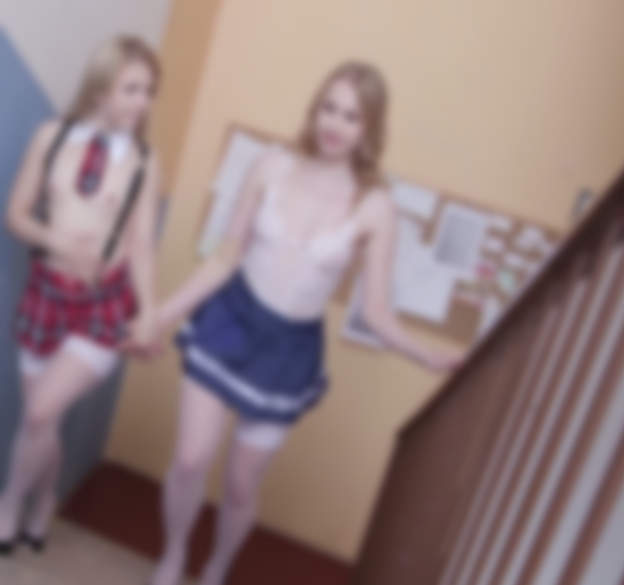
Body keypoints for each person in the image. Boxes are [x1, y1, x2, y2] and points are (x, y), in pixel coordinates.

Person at [144, 61, 463, 585]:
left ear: (369, 128)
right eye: (328, 108)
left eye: (351, 116)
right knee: (190, 458)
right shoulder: (270, 165)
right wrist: (161, 315)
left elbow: (376, 312)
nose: (335, 124)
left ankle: (217, 568)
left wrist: (427, 354)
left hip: (289, 351)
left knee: (241, 485)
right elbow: (224, 257)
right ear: (315, 110)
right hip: (231, 319)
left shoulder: (376, 207)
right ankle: (173, 555)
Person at [0, 36, 162, 553]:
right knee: (42, 421)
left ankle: (8, 504)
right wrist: (59, 241)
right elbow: (16, 215)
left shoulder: (143, 161)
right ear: (100, 88)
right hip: (46, 295)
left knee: (39, 414)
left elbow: (142, 246)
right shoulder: (52, 136)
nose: (143, 102)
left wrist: (149, 314)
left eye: (149, 91)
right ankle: (45, 501)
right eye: (132, 89)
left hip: (102, 306)